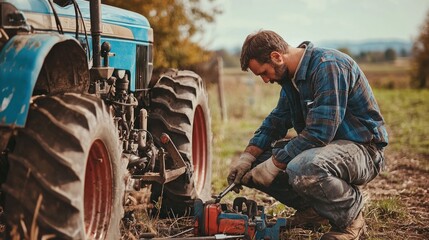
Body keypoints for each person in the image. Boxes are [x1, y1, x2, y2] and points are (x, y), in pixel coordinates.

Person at [227, 30, 388, 240]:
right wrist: (247, 158)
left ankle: (351, 218)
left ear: (277, 56)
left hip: (363, 150)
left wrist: (274, 164)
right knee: (258, 162)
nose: (265, 80)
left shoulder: (328, 66)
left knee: (302, 167)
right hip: (327, 150)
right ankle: (315, 211)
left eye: (264, 73)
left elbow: (319, 133)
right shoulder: (290, 81)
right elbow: (276, 121)